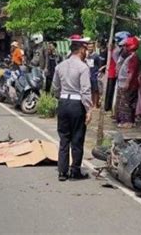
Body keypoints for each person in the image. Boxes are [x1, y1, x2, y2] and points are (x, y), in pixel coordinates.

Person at [52, 35, 93, 181]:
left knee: (64, 138)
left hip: (63, 103)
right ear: (81, 50)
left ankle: (62, 172)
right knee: (77, 139)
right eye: (86, 49)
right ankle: (75, 171)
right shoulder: (83, 68)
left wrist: (61, 98)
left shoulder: (60, 66)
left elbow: (55, 87)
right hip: (77, 105)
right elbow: (85, 90)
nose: (87, 52)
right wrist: (88, 109)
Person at [115, 36, 141, 128]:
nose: (124, 48)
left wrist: (127, 83)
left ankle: (127, 122)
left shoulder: (133, 58)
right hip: (128, 84)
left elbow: (131, 72)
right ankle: (128, 121)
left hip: (128, 85)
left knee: (125, 104)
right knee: (127, 103)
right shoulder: (130, 56)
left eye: (126, 46)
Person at [104, 31, 131, 111]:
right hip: (114, 73)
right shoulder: (117, 51)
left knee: (112, 90)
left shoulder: (117, 50)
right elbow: (118, 63)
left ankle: (110, 107)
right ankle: (109, 106)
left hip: (115, 73)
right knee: (111, 90)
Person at [86, 42, 102, 108]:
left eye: (91, 47)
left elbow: (100, 65)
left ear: (94, 47)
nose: (90, 48)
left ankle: (95, 104)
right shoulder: (86, 55)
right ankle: (92, 103)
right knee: (90, 90)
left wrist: (98, 73)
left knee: (95, 90)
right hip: (88, 75)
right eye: (89, 47)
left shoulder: (96, 56)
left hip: (94, 75)